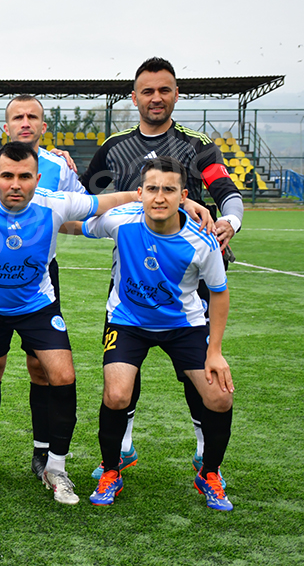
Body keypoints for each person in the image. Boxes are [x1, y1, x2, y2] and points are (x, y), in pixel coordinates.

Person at [0, 141, 143, 505]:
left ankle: (56, 468)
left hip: (36, 306)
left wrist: (165, 199)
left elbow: (106, 201)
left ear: (37, 178)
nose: (16, 184)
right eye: (7, 176)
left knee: (63, 376)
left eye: (24, 176)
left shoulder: (54, 202)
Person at [79, 57, 243, 482]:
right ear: (134, 97)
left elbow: (226, 191)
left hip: (189, 274)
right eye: (148, 91)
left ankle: (206, 453)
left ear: (176, 95)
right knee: (122, 372)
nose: (156, 98)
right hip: (133, 274)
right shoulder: (114, 147)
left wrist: (229, 221)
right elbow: (84, 195)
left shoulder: (197, 144)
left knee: (196, 372)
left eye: (164, 90)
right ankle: (122, 447)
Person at [77, 157, 234, 511]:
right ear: (140, 193)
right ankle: (111, 469)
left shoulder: (203, 241)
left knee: (219, 398)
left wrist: (215, 351)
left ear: (184, 196)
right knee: (117, 394)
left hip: (184, 326)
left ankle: (209, 473)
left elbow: (219, 293)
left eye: (168, 190)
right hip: (127, 321)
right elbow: (76, 223)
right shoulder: (120, 220)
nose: (159, 197)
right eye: (152, 189)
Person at [0, 94, 88, 481]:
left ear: (44, 126)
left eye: (33, 116)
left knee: (41, 367)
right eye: (18, 117)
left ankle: (42, 451)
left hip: (39, 275)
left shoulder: (59, 166)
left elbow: (82, 207)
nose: (26, 122)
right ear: (6, 126)